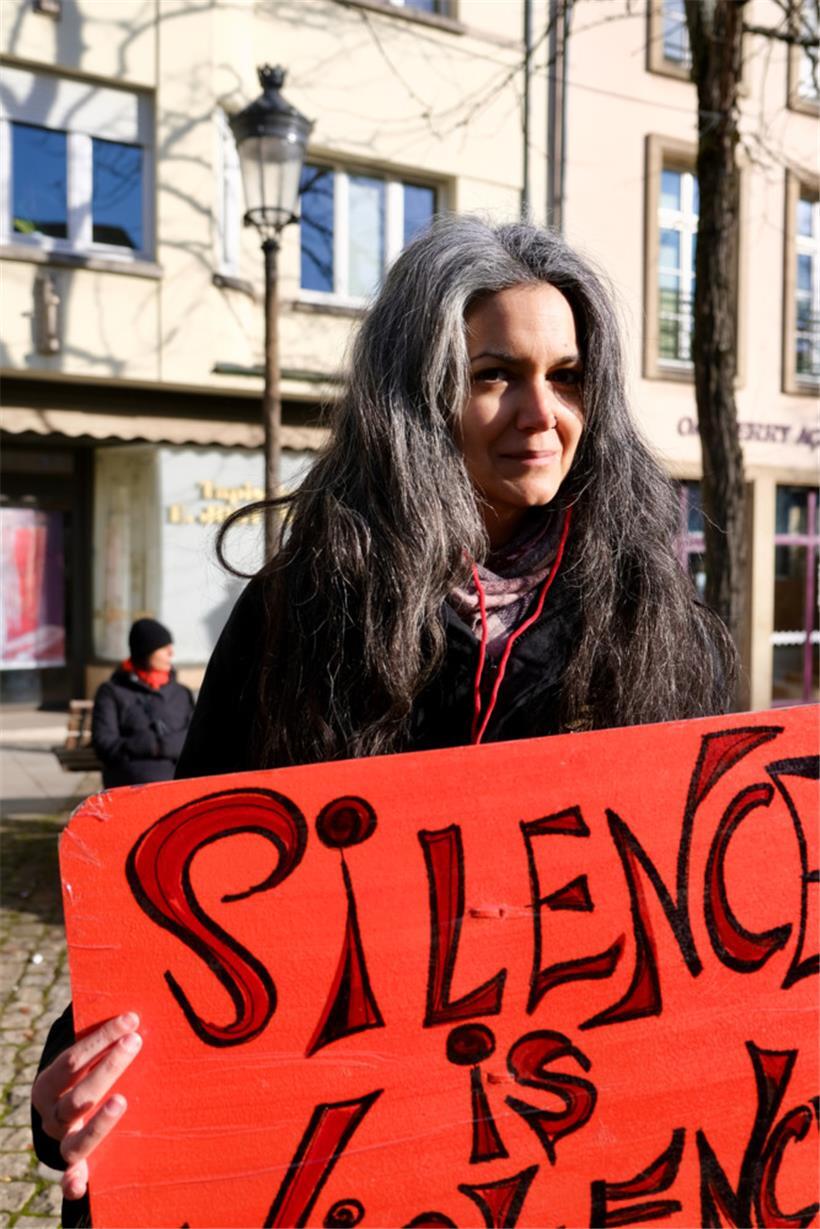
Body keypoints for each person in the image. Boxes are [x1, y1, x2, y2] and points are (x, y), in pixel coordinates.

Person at [31, 217, 737, 1224]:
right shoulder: (298, 617)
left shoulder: (662, 634)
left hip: (579, 1171)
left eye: (569, 376)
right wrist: (75, 1072)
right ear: (418, 394)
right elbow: (192, 896)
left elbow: (707, 938)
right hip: (353, 1170)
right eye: (494, 373)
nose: (541, 414)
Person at [91, 618, 194, 788]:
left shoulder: (181, 693)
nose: (171, 653)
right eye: (164, 648)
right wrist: (145, 746)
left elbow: (195, 738)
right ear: (146, 652)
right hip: (129, 785)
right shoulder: (112, 692)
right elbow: (104, 743)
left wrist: (162, 746)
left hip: (179, 785)